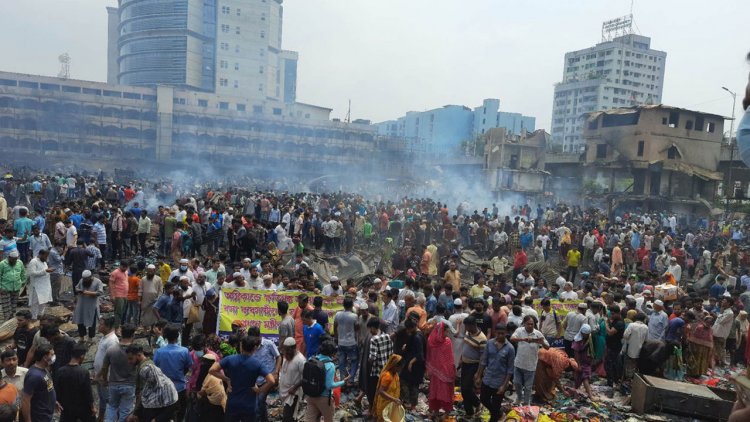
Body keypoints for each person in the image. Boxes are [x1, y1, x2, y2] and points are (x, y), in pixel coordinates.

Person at [209, 335, 275, 422]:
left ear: (241, 346)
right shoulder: (258, 364)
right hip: (249, 405)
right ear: (254, 348)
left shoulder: (230, 359)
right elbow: (271, 381)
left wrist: (226, 379)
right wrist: (259, 390)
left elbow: (212, 370)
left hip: (233, 403)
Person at [126, 344, 179, 422]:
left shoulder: (145, 369)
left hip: (166, 402)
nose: (129, 362)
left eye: (131, 358)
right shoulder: (149, 362)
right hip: (168, 400)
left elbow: (142, 392)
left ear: (139, 355)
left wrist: (136, 412)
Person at [476, 324, 515, 422]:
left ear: (506, 334)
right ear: (495, 333)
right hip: (488, 378)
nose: (500, 336)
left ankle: (495, 415)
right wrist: (478, 376)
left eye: (502, 333)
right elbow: (484, 361)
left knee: (495, 406)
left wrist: (504, 385)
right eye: (498, 333)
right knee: (484, 399)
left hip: (499, 382)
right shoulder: (489, 343)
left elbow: (510, 369)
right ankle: (499, 413)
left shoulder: (510, 348)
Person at [153, 324, 192, 422]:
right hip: (179, 388)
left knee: (164, 415)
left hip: (162, 388)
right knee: (180, 414)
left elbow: (155, 368)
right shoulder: (184, 351)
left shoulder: (159, 352)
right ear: (178, 336)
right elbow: (188, 367)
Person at [99, 324, 136, 422]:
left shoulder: (111, 349)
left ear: (121, 334)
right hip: (129, 384)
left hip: (114, 384)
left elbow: (104, 367)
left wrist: (105, 380)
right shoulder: (135, 351)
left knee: (111, 407)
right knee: (125, 411)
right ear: (133, 335)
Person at [510, 315, 549, 408]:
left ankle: (526, 403)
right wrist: (524, 339)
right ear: (524, 324)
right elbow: (512, 339)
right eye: (528, 324)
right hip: (518, 363)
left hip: (530, 366)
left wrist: (541, 342)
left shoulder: (538, 334)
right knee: (517, 383)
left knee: (528, 387)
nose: (530, 326)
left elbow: (547, 347)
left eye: (532, 324)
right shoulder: (519, 331)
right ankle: (519, 398)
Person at [305, 340, 346, 422]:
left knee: (311, 419)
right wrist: (343, 382)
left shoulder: (311, 359)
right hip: (324, 398)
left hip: (310, 396)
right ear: (331, 353)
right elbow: (329, 385)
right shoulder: (330, 365)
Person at [54, 344, 95, 422]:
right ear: (82, 356)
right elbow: (88, 392)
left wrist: (57, 401)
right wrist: (92, 407)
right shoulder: (84, 372)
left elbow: (57, 389)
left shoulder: (60, 371)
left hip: (66, 407)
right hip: (82, 407)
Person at [426, 322, 455, 418]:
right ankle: (435, 410)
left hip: (445, 371)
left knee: (444, 391)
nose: (447, 333)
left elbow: (449, 358)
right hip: (436, 372)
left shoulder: (447, 341)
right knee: (435, 391)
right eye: (446, 331)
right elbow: (431, 356)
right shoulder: (432, 341)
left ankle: (446, 411)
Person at [21, 344, 57, 422]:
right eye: (52, 354)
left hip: (47, 414)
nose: (54, 356)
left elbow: (48, 387)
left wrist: (54, 401)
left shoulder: (44, 369)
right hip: (39, 417)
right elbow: (25, 400)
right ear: (44, 357)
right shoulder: (34, 376)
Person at [460, 315, 486, 418]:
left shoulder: (482, 339)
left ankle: (477, 403)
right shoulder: (468, 332)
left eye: (467, 326)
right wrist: (461, 359)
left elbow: (483, 358)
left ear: (473, 325)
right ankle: (469, 412)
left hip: (473, 366)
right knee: (463, 389)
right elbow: (465, 346)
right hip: (465, 364)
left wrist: (478, 374)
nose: (466, 329)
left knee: (467, 389)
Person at [367, 318, 393, 412]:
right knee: (385, 391)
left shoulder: (374, 339)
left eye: (370, 329)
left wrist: (368, 361)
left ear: (374, 328)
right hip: (387, 369)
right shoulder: (388, 336)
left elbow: (372, 357)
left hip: (377, 371)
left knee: (375, 391)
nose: (370, 331)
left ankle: (374, 410)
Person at [333, 297, 359, 386]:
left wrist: (336, 337)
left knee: (341, 362)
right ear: (352, 306)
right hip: (351, 342)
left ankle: (342, 380)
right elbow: (356, 330)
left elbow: (335, 327)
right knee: (354, 361)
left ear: (343, 305)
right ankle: (351, 380)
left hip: (341, 342)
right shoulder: (354, 316)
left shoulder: (338, 315)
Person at [278, 338, 305, 422]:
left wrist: (294, 387)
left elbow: (305, 378)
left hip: (293, 394)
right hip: (284, 392)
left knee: (287, 418)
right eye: (285, 350)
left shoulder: (301, 360)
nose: (286, 352)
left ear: (294, 348)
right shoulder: (287, 356)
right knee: (291, 417)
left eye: (288, 350)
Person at [73, 270, 104, 342]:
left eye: (86, 279)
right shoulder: (81, 280)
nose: (84, 280)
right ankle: (82, 337)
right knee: (80, 321)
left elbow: (100, 292)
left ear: (90, 277)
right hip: (81, 304)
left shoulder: (98, 282)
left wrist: (88, 293)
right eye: (84, 278)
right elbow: (76, 287)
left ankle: (90, 338)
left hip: (92, 305)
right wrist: (79, 290)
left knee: (91, 322)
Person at [194, 354, 226, 421]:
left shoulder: (205, 370)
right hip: (222, 402)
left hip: (211, 401)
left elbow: (200, 389)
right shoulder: (218, 370)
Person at [373, 354, 402, 422]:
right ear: (394, 366)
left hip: (391, 403)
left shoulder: (395, 375)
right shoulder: (387, 376)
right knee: (383, 418)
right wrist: (394, 399)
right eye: (399, 367)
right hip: (384, 403)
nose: (400, 369)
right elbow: (381, 391)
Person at [26, 249, 53, 319]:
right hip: (37, 287)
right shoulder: (33, 262)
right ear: (40, 255)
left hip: (45, 286)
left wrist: (47, 271)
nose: (46, 258)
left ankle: (40, 317)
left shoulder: (44, 262)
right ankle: (34, 318)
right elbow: (32, 273)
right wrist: (45, 271)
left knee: (43, 302)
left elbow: (45, 272)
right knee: (35, 303)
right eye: (45, 256)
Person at [572, 324, 596, 400]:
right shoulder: (577, 341)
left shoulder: (588, 338)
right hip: (580, 361)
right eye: (586, 334)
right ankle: (589, 395)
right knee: (581, 378)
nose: (587, 335)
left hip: (586, 361)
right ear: (582, 333)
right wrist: (578, 365)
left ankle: (577, 394)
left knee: (584, 378)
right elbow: (576, 354)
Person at [0, 250, 25, 321]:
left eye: (16, 259)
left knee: (13, 308)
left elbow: (23, 273)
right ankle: (7, 323)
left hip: (16, 288)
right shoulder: (2, 264)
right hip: (5, 289)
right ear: (9, 257)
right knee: (6, 308)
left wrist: (22, 282)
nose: (14, 261)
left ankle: (11, 322)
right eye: (13, 259)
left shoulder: (19, 263)